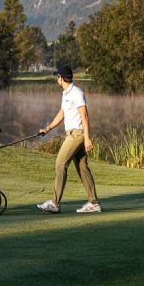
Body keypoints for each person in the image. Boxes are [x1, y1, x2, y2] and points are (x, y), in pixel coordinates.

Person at [36, 66, 101, 213]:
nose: (56, 79)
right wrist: (48, 128)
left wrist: (87, 138)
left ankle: (54, 203)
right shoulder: (66, 93)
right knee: (83, 168)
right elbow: (62, 113)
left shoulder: (76, 93)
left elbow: (84, 116)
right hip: (74, 134)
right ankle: (94, 203)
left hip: (77, 135)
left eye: (57, 77)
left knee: (60, 164)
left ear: (61, 78)